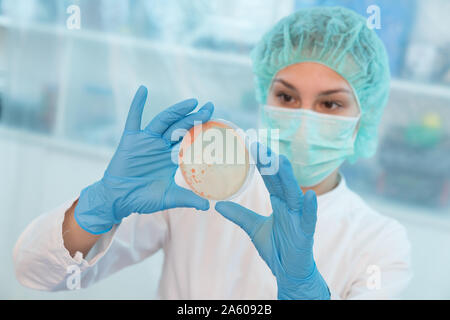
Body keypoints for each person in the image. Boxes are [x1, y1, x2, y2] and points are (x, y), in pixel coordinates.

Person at [13, 7, 411, 299]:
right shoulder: (198, 184)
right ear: (263, 97)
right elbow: (37, 273)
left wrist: (304, 291)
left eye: (330, 104)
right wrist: (100, 206)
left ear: (364, 116)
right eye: (286, 96)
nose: (303, 119)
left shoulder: (380, 243)